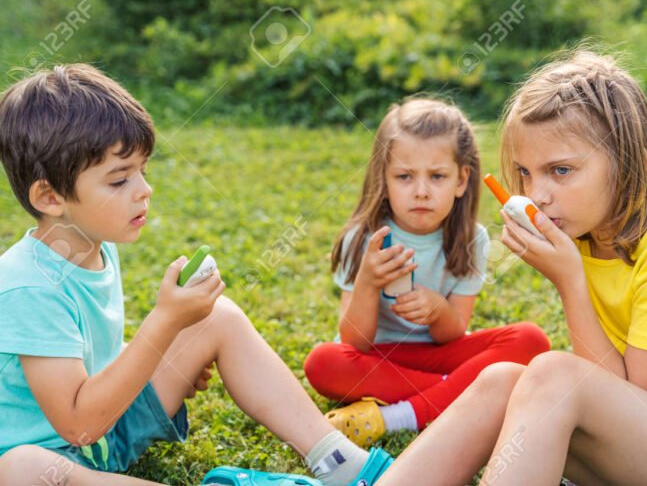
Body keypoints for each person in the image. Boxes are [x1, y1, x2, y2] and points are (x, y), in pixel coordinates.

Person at [374, 51, 647, 485]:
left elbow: (635, 397)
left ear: (626, 160)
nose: (537, 194)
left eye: (560, 170)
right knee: (503, 381)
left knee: (553, 375)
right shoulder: (588, 234)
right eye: (525, 172)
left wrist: (569, 282)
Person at [0, 64, 391, 486]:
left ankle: (338, 461)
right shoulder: (29, 287)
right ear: (50, 196)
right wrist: (164, 323)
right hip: (61, 454)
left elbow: (95, 358)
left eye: (141, 172)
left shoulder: (95, 247)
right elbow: (77, 425)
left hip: (107, 432)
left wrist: (170, 345)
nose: (143, 190)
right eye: (119, 180)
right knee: (22, 470)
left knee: (214, 316)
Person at [303, 98, 550, 447]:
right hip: (382, 358)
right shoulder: (363, 239)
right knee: (323, 362)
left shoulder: (471, 240)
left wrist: (437, 309)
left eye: (437, 176)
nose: (421, 191)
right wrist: (368, 283)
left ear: (462, 180)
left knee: (531, 341)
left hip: (440, 354)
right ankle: (465, 392)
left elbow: (452, 333)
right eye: (404, 176)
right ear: (384, 179)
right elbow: (355, 341)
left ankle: (395, 417)